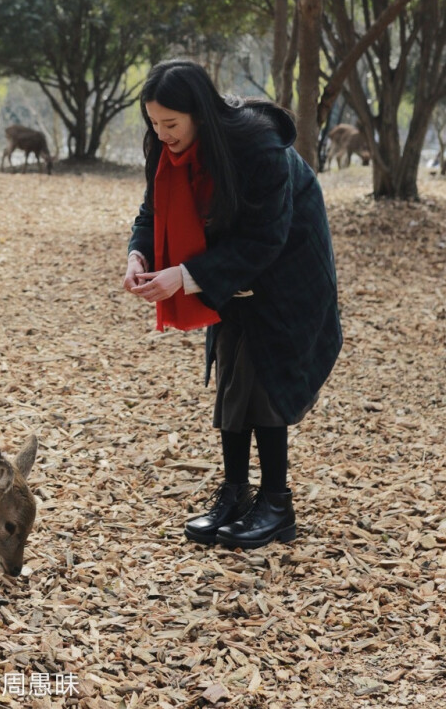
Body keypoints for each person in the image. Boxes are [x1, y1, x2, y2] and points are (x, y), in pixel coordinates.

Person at [123, 59, 341, 549]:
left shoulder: (257, 147)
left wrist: (185, 275)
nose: (162, 134)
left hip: (287, 269)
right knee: (231, 376)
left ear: (200, 113)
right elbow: (151, 211)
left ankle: (277, 504)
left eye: (171, 124)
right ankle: (237, 494)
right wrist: (139, 252)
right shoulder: (166, 146)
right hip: (226, 271)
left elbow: (267, 238)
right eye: (154, 124)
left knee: (264, 377)